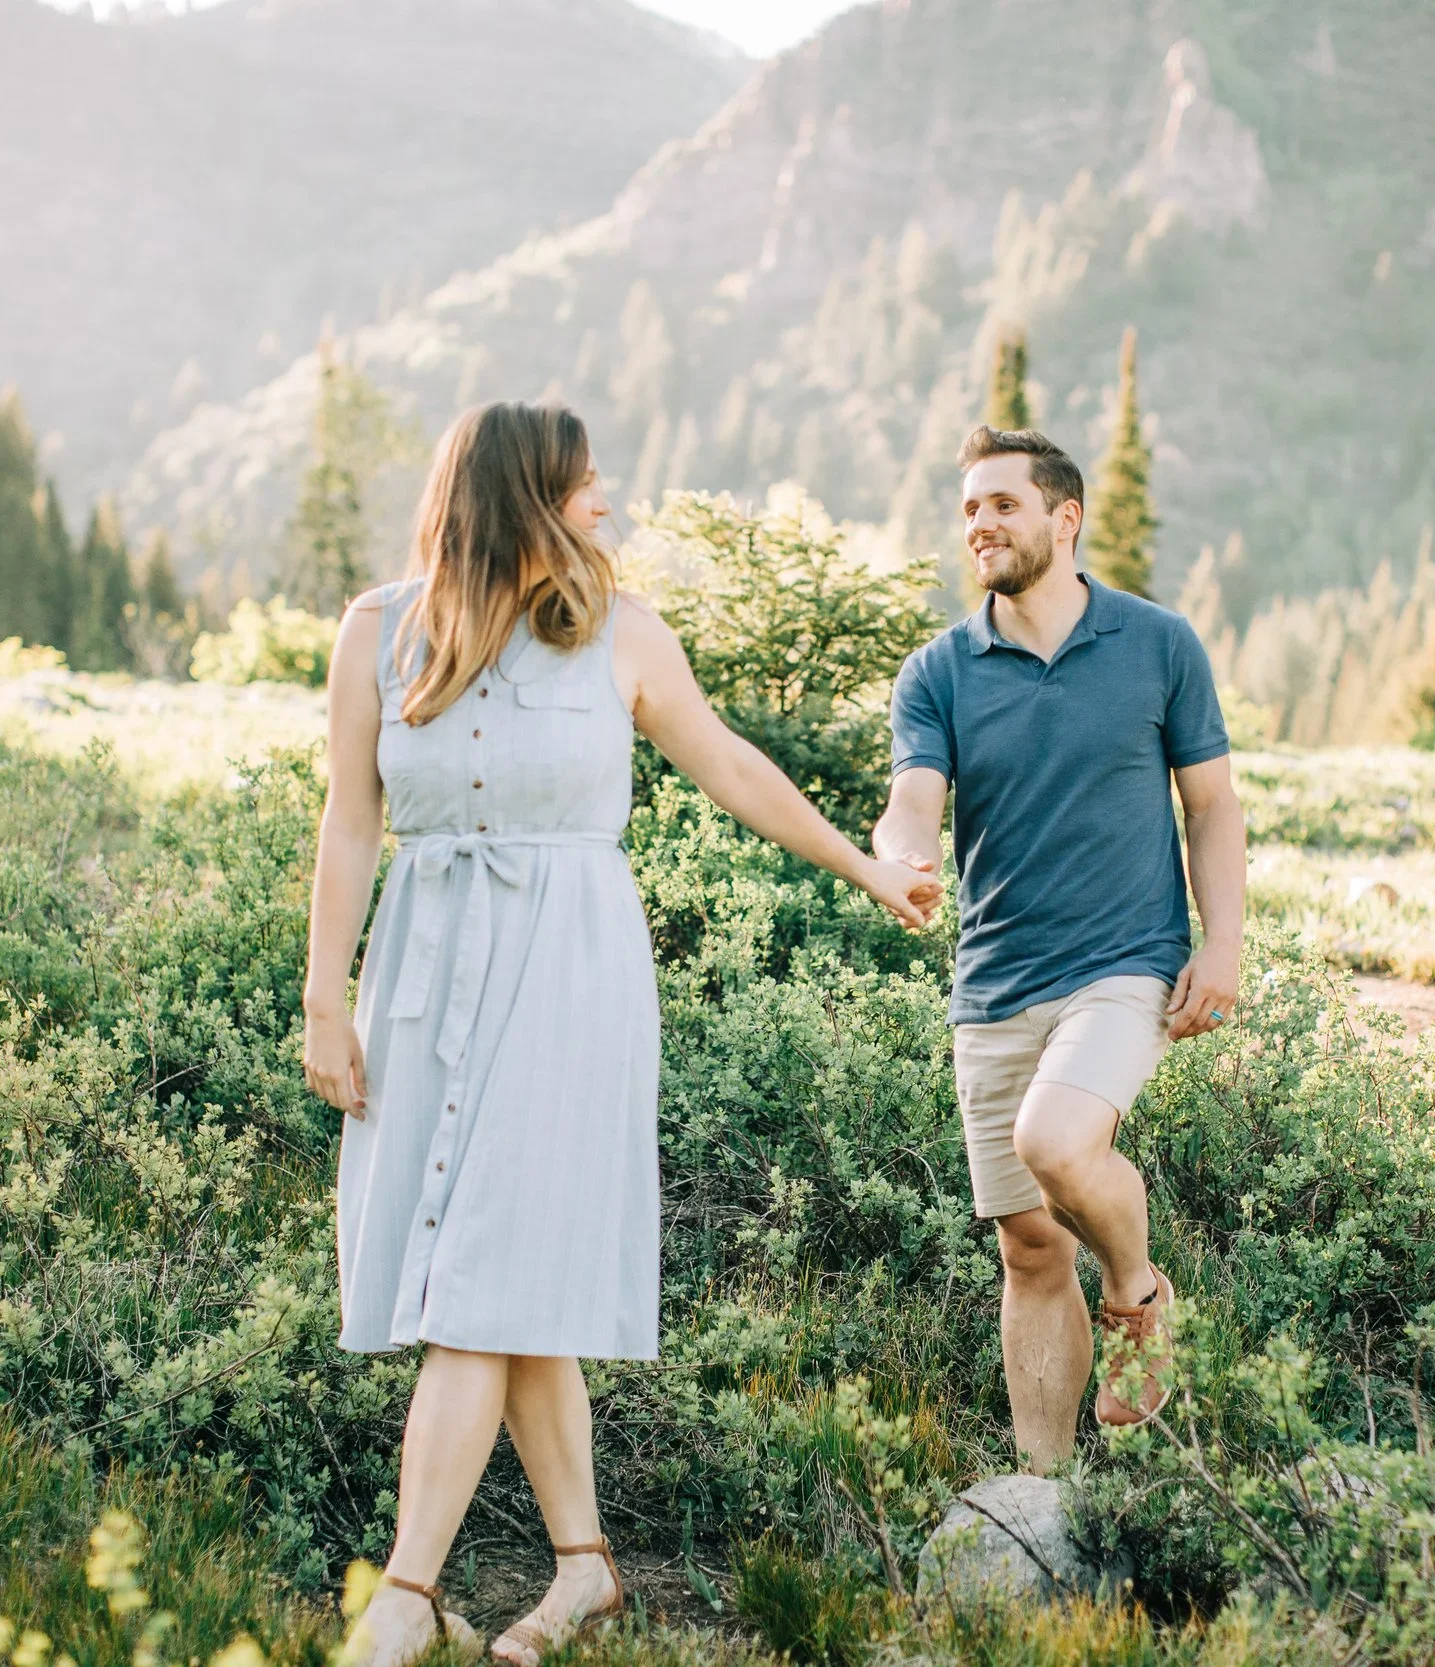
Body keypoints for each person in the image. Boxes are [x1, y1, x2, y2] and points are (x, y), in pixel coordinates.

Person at [301, 401, 942, 1666]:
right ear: (521, 499)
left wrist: (865, 872)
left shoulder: (620, 635)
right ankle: (586, 1564)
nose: (605, 503)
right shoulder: (377, 630)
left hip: (569, 976)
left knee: (475, 1282)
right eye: (583, 485)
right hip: (423, 974)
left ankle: (405, 1593)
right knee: (506, 1275)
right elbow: (350, 822)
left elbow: (733, 768)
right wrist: (325, 997)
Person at [872, 424, 1246, 1473]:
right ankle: (1047, 1487)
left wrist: (1221, 945)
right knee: (1030, 1247)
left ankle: (1135, 1291)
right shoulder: (939, 671)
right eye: (968, 510)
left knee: (1058, 1142)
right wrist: (900, 853)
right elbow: (911, 803)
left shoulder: (1159, 644)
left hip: (1125, 963)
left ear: (1063, 516)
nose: (980, 525)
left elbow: (1210, 804)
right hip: (992, 985)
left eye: (1001, 503)